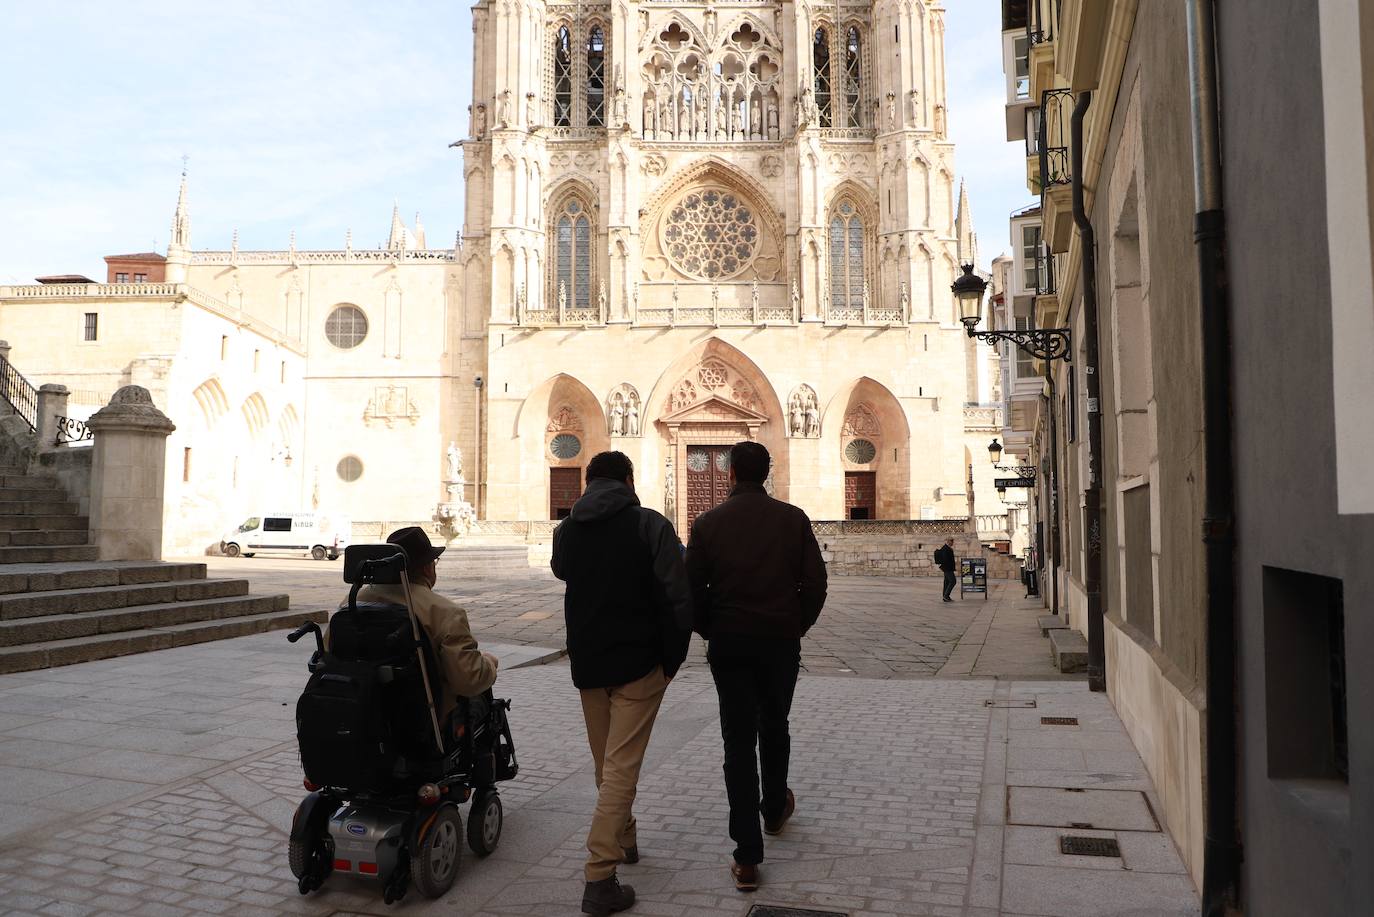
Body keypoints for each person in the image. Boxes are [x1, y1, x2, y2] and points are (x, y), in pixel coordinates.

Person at [551, 451, 693, 916]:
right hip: (638, 666)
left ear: (588, 482)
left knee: (605, 764)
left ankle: (625, 838)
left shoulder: (567, 531)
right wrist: (670, 662)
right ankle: (599, 877)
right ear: (630, 480)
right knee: (620, 769)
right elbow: (677, 596)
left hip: (590, 666)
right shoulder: (649, 525)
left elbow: (563, 571)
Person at [685, 441, 827, 892]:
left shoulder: (707, 523)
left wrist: (712, 629)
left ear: (729, 474)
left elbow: (691, 591)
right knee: (775, 723)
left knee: (737, 741)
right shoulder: (792, 519)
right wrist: (795, 624)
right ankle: (773, 811)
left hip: (730, 644)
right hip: (779, 643)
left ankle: (747, 857)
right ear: (767, 473)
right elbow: (816, 584)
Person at [348, 526, 499, 724]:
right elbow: (468, 680)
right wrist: (489, 663)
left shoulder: (353, 601)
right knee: (486, 708)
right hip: (422, 725)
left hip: (362, 714)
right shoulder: (444, 612)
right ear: (428, 567)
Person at [935, 537, 957, 602]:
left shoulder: (947, 548)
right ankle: (946, 596)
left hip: (948, 568)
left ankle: (945, 596)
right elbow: (945, 560)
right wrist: (944, 568)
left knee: (947, 582)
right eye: (951, 541)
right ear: (948, 541)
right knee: (953, 581)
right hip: (948, 569)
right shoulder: (945, 548)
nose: (952, 542)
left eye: (953, 541)